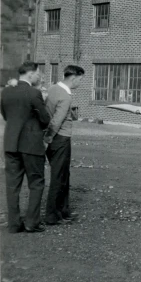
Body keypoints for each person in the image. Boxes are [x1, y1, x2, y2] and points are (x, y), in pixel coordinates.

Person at [0, 62, 51, 233]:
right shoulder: (33, 93)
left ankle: (13, 224)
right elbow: (45, 119)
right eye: (38, 73)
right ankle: (32, 223)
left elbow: (6, 115)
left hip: (11, 143)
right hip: (31, 144)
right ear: (31, 74)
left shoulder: (6, 91)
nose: (39, 76)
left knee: (12, 185)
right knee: (36, 183)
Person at [44, 64, 85, 225]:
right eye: (80, 79)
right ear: (73, 77)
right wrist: (48, 138)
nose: (80, 83)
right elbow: (57, 120)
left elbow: (49, 112)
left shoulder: (53, 88)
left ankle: (63, 211)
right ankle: (53, 215)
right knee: (59, 176)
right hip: (60, 138)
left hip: (54, 137)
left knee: (62, 175)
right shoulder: (66, 96)